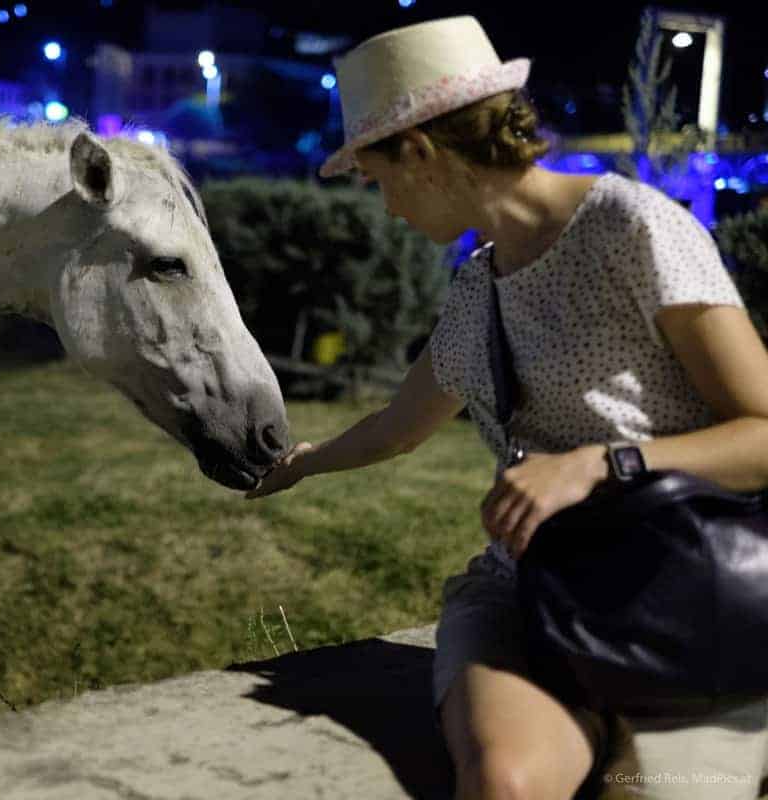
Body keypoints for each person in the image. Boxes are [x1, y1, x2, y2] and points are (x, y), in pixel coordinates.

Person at [244, 15, 768, 800]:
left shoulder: (634, 228)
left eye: (377, 177)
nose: (385, 208)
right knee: (506, 784)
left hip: (680, 588)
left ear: (419, 152)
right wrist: (299, 465)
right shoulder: (474, 290)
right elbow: (399, 427)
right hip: (537, 591)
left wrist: (598, 465)